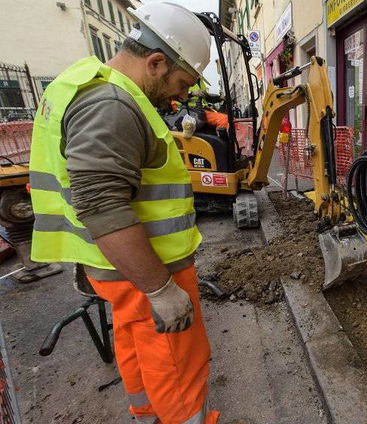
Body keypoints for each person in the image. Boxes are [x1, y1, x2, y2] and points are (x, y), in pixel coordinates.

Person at [29, 2, 219, 423]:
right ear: (155, 62)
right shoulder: (112, 105)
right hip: (147, 266)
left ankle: (145, 412)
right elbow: (102, 204)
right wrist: (161, 290)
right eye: (182, 81)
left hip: (117, 268)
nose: (183, 95)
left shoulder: (88, 86)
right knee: (177, 364)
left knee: (136, 344)